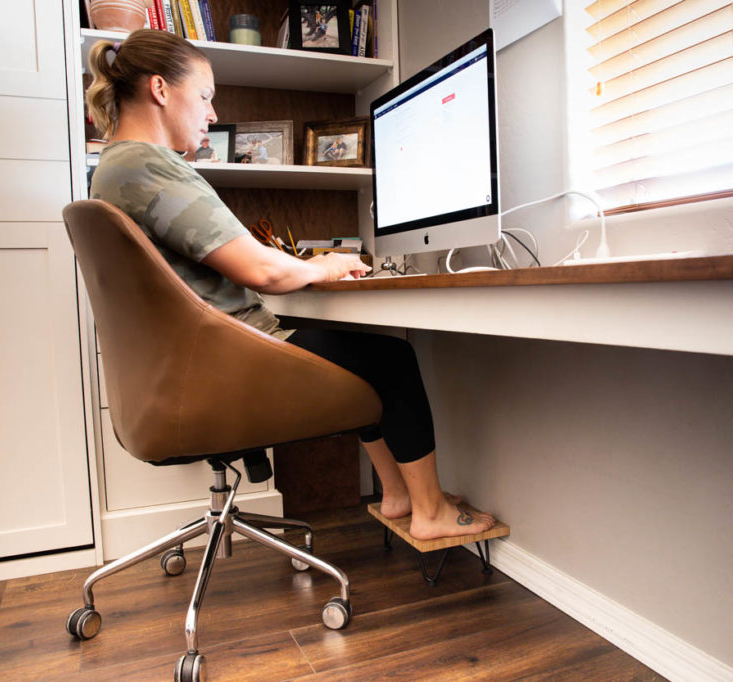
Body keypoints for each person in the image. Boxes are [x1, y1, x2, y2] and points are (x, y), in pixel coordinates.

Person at [84, 29, 494, 541]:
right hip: (227, 360)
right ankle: (430, 512)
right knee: (391, 361)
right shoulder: (146, 164)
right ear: (161, 90)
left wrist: (317, 265)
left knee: (362, 356)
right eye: (207, 97)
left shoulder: (114, 167)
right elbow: (266, 273)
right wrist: (327, 264)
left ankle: (397, 496)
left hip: (197, 363)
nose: (212, 115)